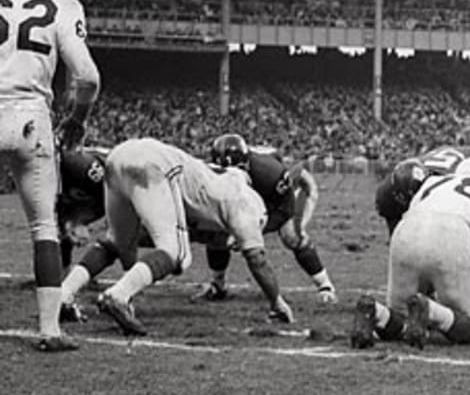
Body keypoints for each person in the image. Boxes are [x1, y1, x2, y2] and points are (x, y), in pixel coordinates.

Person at [59, 137, 294, 335]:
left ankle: (63, 295)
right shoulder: (246, 202)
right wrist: (277, 302)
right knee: (177, 254)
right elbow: (257, 258)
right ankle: (118, 296)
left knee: (115, 242)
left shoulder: (212, 188)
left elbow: (175, 227)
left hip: (119, 156)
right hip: (156, 165)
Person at [0, 0, 100, 352]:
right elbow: (89, 78)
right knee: (43, 226)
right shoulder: (61, 4)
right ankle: (50, 330)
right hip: (30, 118)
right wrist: (76, 119)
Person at [350, 156, 470, 349]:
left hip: (406, 229)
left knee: (401, 316)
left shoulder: (434, 182)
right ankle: (430, 310)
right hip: (454, 231)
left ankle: (375, 312)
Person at [199, 134, 337, 305]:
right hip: (259, 195)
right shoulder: (208, 169)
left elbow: (283, 210)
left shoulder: (268, 173)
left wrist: (251, 232)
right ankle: (218, 285)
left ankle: (325, 286)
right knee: (217, 232)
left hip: (291, 189)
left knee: (292, 235)